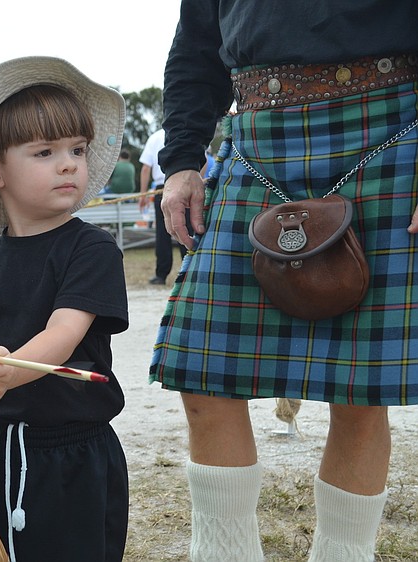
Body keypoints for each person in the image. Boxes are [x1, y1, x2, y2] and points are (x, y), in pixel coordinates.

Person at [152, 2, 418, 561]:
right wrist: (180, 161)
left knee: (362, 392)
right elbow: (196, 49)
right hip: (255, 140)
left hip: (392, 129)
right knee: (203, 375)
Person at [0, 57, 129, 562]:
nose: (69, 164)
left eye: (77, 149)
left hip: (73, 456)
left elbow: (64, 332)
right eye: (44, 151)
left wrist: (7, 371)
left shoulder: (91, 250)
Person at [139, 128, 190, 285]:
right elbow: (205, 160)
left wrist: (143, 194)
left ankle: (161, 274)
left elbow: (146, 168)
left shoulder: (154, 138)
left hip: (162, 188)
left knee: (162, 232)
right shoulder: (188, 133)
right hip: (184, 184)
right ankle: (189, 271)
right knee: (187, 229)